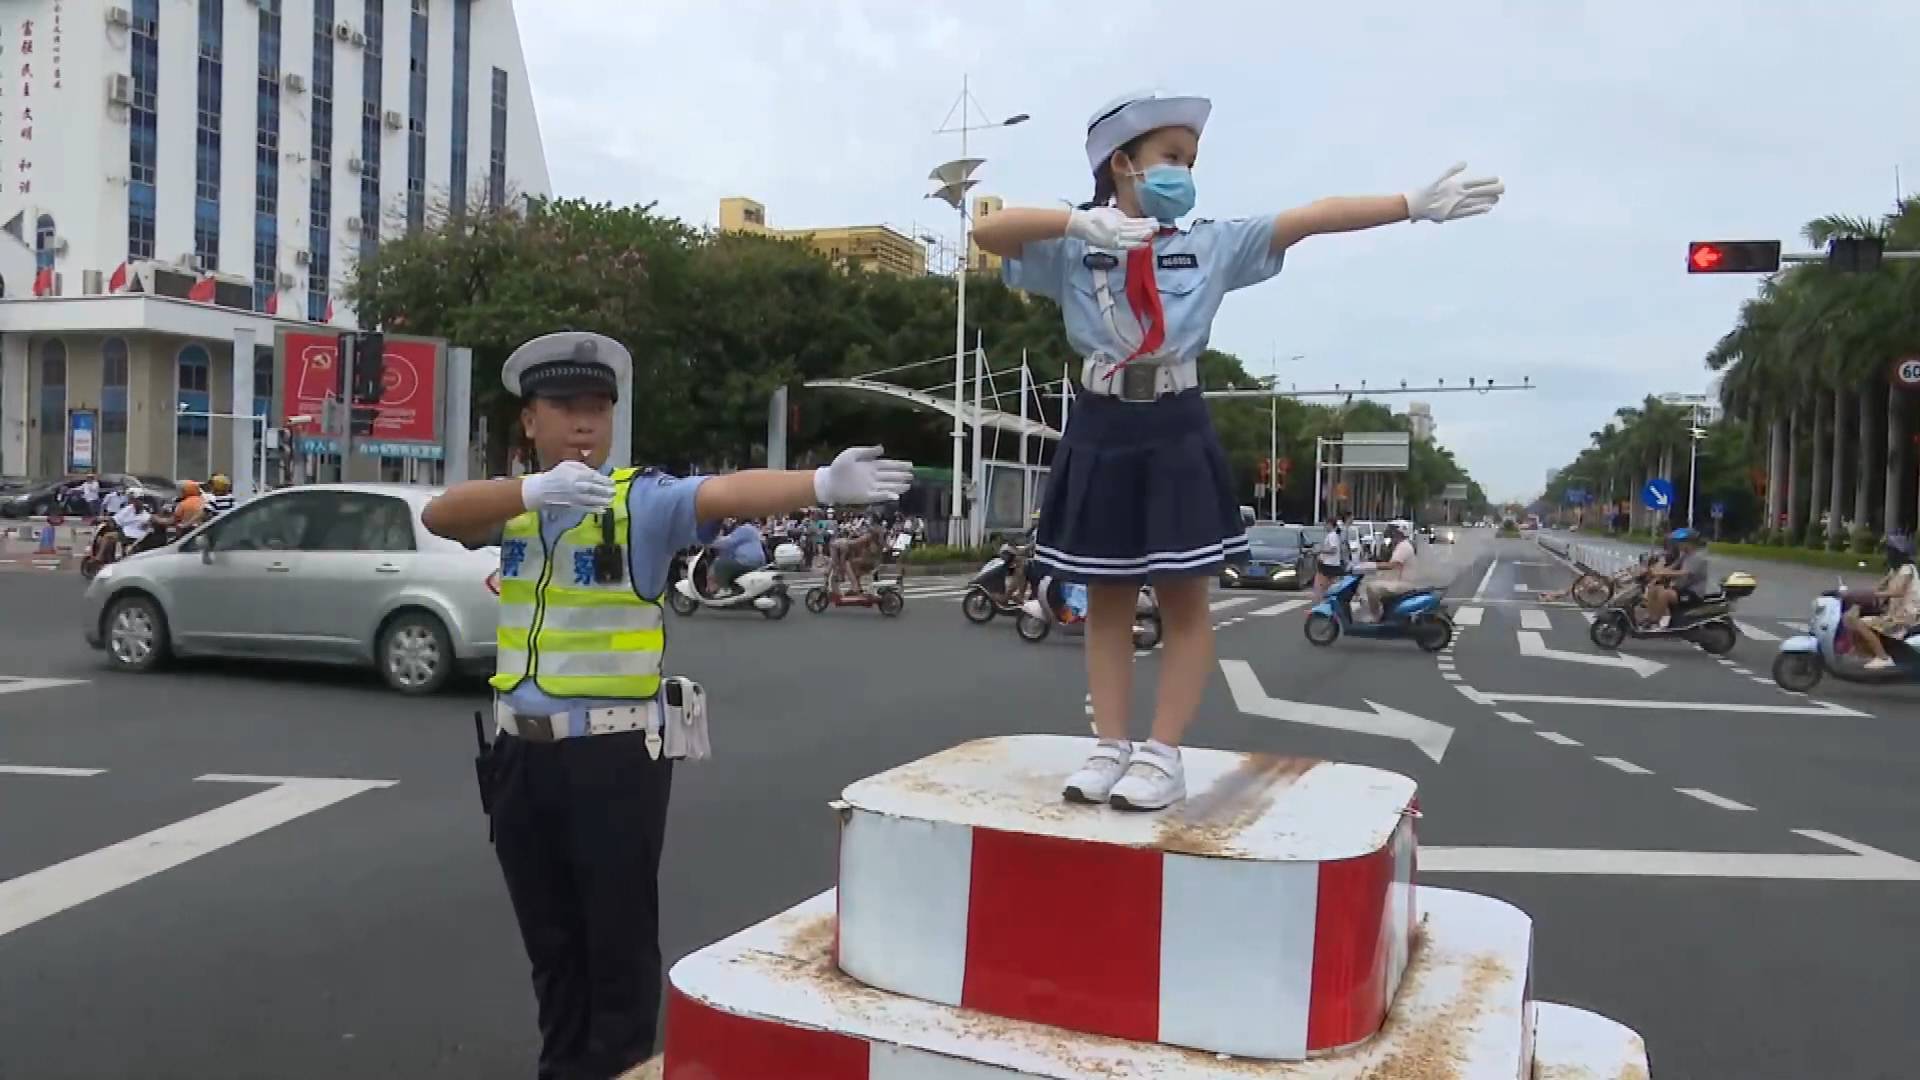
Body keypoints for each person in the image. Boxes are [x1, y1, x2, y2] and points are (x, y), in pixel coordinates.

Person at [973, 88, 1502, 811]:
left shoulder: (1209, 242)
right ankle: (1110, 747)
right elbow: (991, 233)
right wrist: (1080, 225)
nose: (1184, 173)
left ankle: (1162, 753)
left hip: (1175, 421)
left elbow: (1309, 219)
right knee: (1106, 600)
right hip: (1100, 421)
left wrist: (1409, 202)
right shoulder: (1072, 248)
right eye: (1170, 157)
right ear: (1122, 164)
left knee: (1186, 599)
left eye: (1190, 160)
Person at [420, 331, 910, 1080]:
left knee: (615, 950)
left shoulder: (637, 503)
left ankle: (613, 1067)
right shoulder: (513, 507)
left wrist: (817, 485)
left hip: (610, 759)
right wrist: (530, 491)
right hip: (519, 758)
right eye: (564, 407)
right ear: (530, 421)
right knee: (551, 949)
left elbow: (719, 491)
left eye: (597, 408)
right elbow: (441, 516)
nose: (584, 423)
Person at [1845, 534, 1917, 670]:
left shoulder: (1907, 569)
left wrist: (1875, 594)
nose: (1887, 555)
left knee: (1860, 622)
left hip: (1905, 617)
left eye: (1889, 551)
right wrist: (1860, 594)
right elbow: (1879, 586)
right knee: (1851, 618)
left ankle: (1883, 657)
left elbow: (1899, 592)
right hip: (1895, 612)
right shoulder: (1894, 570)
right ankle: (1865, 653)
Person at [1643, 529, 1709, 628]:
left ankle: (1656, 622)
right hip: (1682, 590)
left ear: (1689, 543)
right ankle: (1651, 617)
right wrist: (1655, 571)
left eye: (1680, 543)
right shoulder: (1685, 555)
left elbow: (1683, 573)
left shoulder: (1697, 557)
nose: (1678, 545)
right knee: (1654, 589)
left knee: (1664, 594)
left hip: (1693, 593)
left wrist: (1662, 572)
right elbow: (1672, 567)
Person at [1360, 522, 1418, 622]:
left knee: (1371, 587)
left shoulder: (1403, 547)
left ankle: (1375, 617)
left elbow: (1392, 565)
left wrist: (1372, 566)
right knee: (1378, 581)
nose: (1391, 533)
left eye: (1394, 531)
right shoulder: (1401, 545)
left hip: (1403, 584)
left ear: (1400, 532)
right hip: (1400, 581)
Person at [710, 517, 766, 596]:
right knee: (728, 562)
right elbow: (732, 543)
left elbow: (728, 542)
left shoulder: (744, 529)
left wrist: (710, 543)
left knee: (719, 563)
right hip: (756, 560)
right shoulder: (751, 529)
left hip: (748, 561)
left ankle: (725, 589)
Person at [1315, 512, 1351, 600]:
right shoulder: (1333, 535)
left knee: (1325, 584)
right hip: (1331, 563)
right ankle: (1330, 598)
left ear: (1330, 524)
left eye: (1326, 524)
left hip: (1330, 563)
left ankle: (1327, 599)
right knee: (1329, 583)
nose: (1324, 527)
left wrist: (1321, 550)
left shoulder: (1332, 536)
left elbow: (1333, 550)